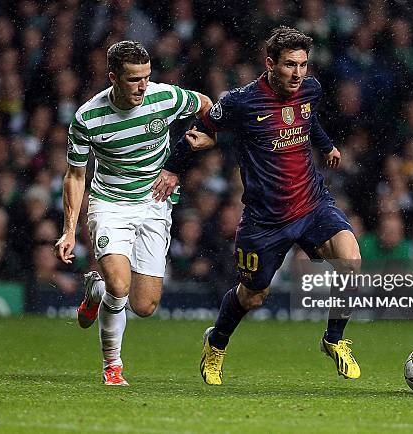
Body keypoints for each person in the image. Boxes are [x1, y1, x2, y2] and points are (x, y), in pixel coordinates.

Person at [153, 27, 362, 385]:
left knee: (351, 262)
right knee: (253, 296)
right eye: (290, 65)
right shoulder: (241, 101)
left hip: (312, 205)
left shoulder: (310, 89)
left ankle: (334, 339)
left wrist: (326, 146)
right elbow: (199, 129)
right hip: (265, 222)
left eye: (303, 65)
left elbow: (308, 119)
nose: (298, 74)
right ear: (270, 64)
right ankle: (216, 342)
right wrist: (173, 168)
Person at [55, 40, 214, 386]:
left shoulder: (165, 97)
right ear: (113, 77)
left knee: (144, 305)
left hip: (155, 204)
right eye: (133, 79)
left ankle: (95, 290)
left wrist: (182, 160)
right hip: (110, 203)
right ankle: (113, 366)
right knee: (120, 285)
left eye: (146, 77)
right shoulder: (88, 118)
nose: (143, 86)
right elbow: (76, 174)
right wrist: (69, 230)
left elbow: (207, 106)